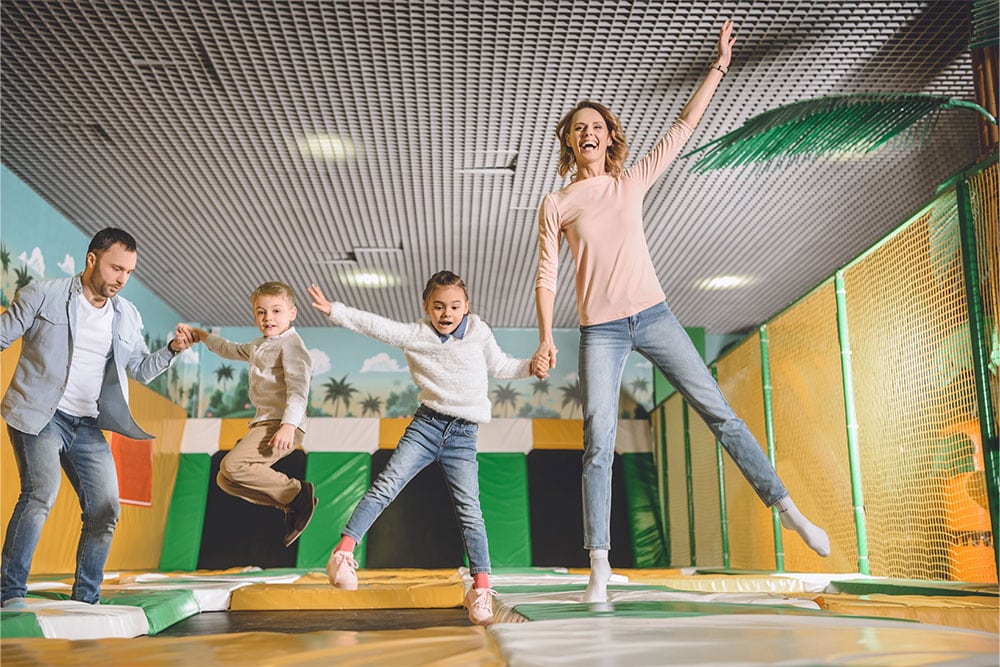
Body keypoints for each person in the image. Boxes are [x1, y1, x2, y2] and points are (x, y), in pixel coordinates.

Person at [531, 21, 830, 603]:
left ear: (609, 137)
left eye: (597, 126)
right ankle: (598, 564)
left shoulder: (629, 181)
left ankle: (789, 510)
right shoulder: (558, 202)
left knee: (718, 411)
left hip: (656, 315)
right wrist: (545, 336)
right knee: (599, 437)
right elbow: (546, 275)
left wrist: (718, 65)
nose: (588, 132)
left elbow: (684, 126)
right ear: (568, 141)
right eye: (578, 128)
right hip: (601, 331)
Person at [308, 271, 536, 626]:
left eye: (454, 306)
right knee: (386, 486)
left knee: (471, 512)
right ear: (426, 307)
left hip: (463, 435)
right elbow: (376, 325)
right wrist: (334, 310)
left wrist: (530, 367)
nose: (447, 313)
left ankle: (481, 588)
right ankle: (342, 553)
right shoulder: (416, 335)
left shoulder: (478, 331)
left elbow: (502, 365)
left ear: (467, 307)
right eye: (439, 306)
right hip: (426, 426)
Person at [0, 227, 192, 607]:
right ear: (92, 260)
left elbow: (138, 368)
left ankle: (86, 600)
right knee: (40, 494)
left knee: (106, 509)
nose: (122, 279)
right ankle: (9, 594)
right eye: (116, 268)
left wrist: (171, 350)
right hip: (41, 415)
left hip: (87, 424)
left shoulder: (126, 315)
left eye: (129, 272)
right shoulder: (44, 294)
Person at [178, 281, 316, 548]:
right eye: (261, 312)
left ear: (292, 313)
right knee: (225, 479)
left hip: (282, 423)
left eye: (276, 311)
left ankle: (297, 494)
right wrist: (202, 336)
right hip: (263, 424)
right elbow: (230, 349)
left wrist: (288, 425)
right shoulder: (259, 345)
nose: (268, 318)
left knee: (233, 466)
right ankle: (290, 503)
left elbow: (299, 389)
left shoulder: (292, 346)